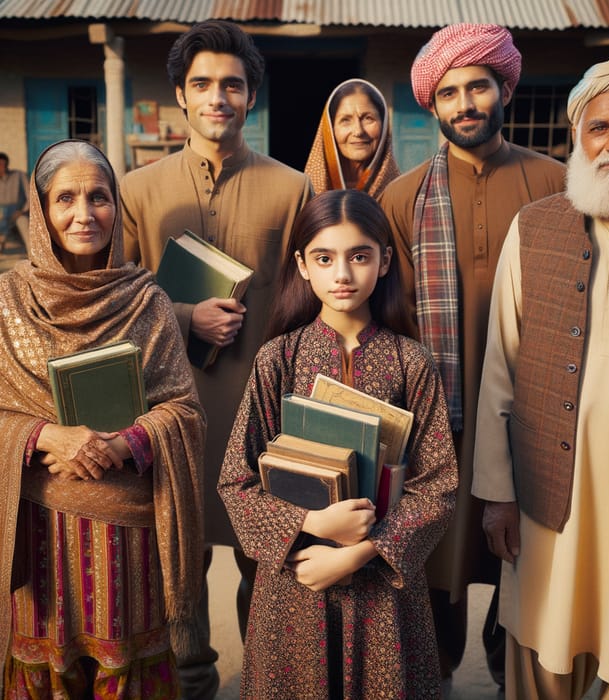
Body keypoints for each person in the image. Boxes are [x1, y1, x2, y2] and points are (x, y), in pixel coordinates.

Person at [473, 56, 609, 699]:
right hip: (547, 496)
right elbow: (500, 371)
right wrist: (496, 493)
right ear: (579, 137)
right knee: (542, 648)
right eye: (600, 127)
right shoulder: (534, 228)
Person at [119, 19, 313, 699]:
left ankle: (263, 678)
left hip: (263, 417)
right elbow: (113, 302)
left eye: (232, 83)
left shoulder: (291, 191)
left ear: (251, 94)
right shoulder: (137, 190)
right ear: (180, 92)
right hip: (171, 412)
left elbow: (308, 307)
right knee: (179, 561)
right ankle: (192, 682)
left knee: (267, 559)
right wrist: (180, 315)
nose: (217, 96)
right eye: (201, 83)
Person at [378, 22, 566, 683]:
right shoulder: (400, 201)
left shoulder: (558, 187)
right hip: (440, 425)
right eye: (450, 92)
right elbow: (390, 325)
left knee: (529, 578)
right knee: (438, 572)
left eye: (478, 86)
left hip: (538, 420)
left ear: (504, 88)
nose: (465, 103)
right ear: (431, 104)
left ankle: (512, 672)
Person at [217, 189, 458, 698]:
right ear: (303, 265)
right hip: (296, 578)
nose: (342, 274)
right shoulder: (277, 359)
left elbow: (437, 488)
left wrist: (358, 553)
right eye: (324, 258)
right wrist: (309, 523)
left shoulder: (412, 363)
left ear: (385, 261)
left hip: (383, 590)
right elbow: (235, 481)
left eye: (359, 256)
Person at [0, 140, 205, 698]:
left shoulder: (147, 300)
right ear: (41, 211)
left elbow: (182, 410)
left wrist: (129, 443)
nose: (84, 213)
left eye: (99, 197)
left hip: (128, 537)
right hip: (38, 528)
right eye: (65, 198)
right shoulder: (9, 299)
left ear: (118, 207)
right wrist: (45, 435)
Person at [304, 78, 400, 198]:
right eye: (345, 120)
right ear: (330, 129)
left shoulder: (401, 195)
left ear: (384, 125)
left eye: (368, 118)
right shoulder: (306, 194)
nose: (358, 131)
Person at [0, 152, 30, 250]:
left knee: (24, 226)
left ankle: (33, 256)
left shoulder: (19, 175)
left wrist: (22, 211)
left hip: (19, 212)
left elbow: (31, 196)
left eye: (2, 164)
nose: (1, 167)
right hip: (2, 213)